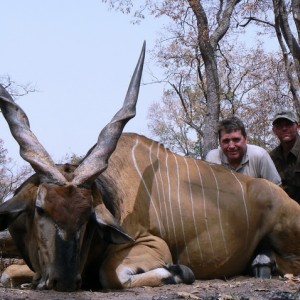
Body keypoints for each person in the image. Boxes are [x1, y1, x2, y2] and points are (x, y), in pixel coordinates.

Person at [206, 116, 281, 185]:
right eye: (226, 141)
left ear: (245, 139)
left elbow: (277, 189)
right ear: (220, 142)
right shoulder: (212, 159)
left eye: (236, 140)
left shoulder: (260, 155)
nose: (231, 146)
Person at [270, 110, 300, 203]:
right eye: (279, 126)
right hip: (283, 212)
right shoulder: (270, 158)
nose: (284, 128)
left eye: (288, 124)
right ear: (274, 131)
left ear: (298, 127)